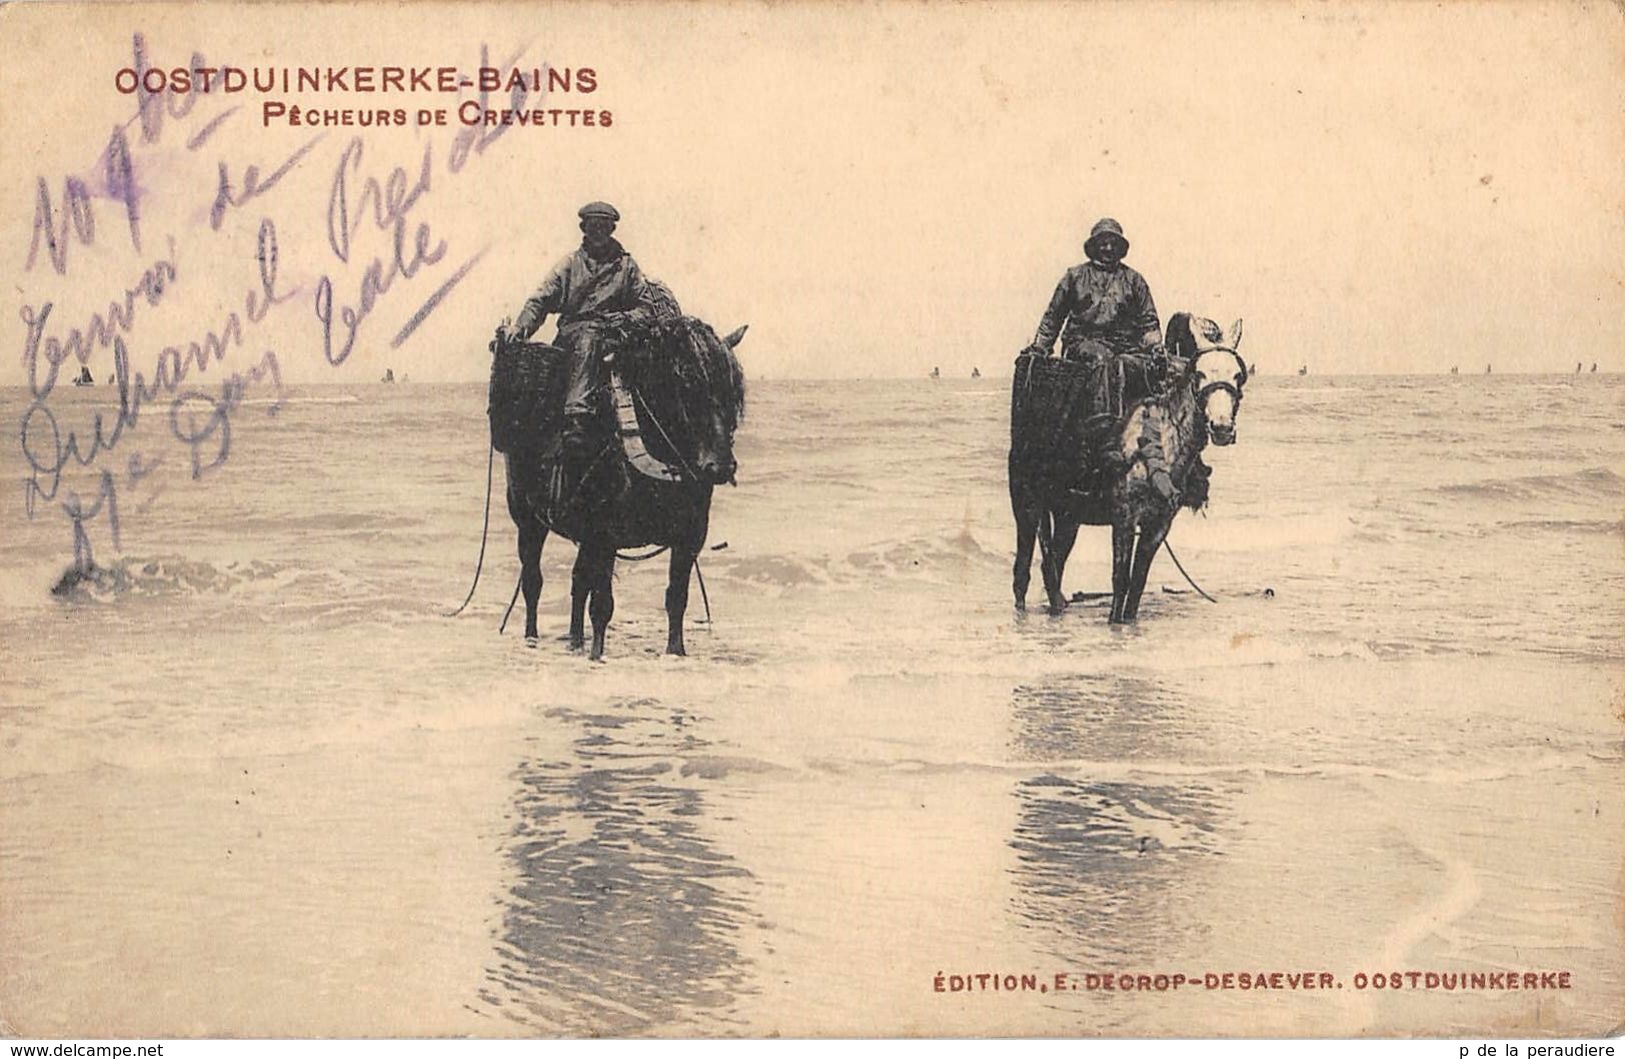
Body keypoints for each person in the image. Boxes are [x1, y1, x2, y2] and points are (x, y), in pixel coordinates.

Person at [1024, 217, 1167, 501]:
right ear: (1093, 246)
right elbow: (1053, 318)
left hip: (1125, 349)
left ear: (1120, 247)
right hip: (1084, 345)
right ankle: (1105, 439)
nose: (1108, 247)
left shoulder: (1134, 281)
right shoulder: (1074, 277)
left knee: (1137, 368)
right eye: (1103, 242)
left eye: (1113, 242)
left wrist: (1155, 350)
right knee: (1103, 361)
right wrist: (1040, 347)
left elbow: (1149, 324)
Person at [498, 201, 651, 455]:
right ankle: (576, 414)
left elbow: (645, 306)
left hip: (616, 334)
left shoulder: (627, 266)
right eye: (594, 227)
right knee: (587, 338)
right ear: (585, 229)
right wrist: (521, 328)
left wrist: (624, 319)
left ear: (612, 229)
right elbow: (541, 300)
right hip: (576, 335)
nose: (599, 232)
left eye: (604, 227)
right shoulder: (569, 265)